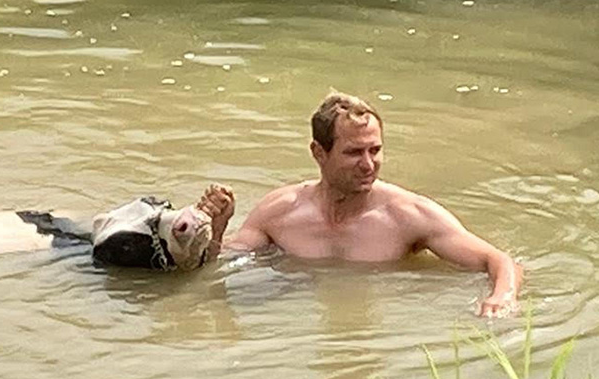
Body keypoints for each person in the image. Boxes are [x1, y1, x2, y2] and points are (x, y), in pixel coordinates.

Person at [198, 92, 523, 317]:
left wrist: (501, 298)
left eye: (375, 150)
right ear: (318, 153)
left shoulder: (408, 215)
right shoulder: (281, 211)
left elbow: (498, 261)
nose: (369, 165)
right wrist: (215, 228)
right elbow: (220, 265)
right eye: (354, 152)